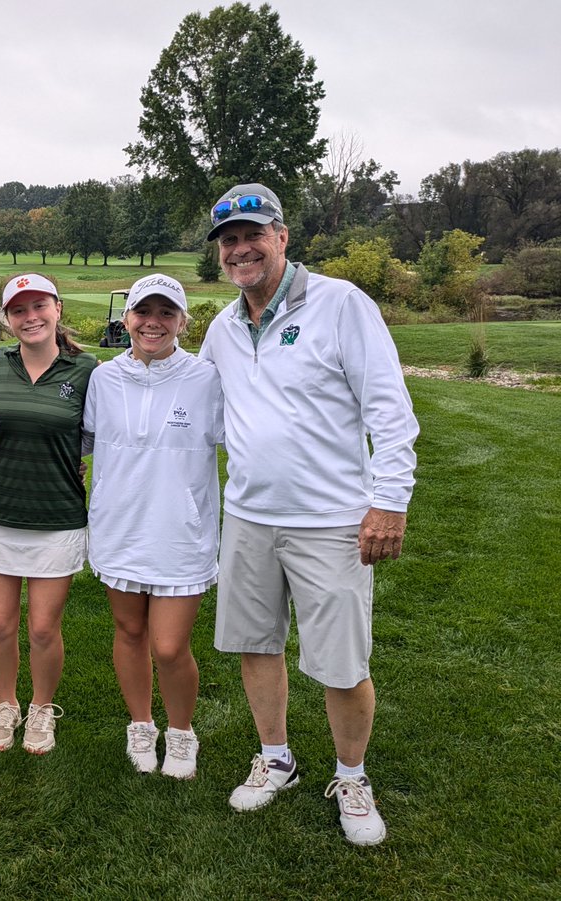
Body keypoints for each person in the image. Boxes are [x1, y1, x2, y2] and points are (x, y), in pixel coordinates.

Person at [199, 183, 419, 846]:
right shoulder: (223, 327)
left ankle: (351, 775)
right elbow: (204, 416)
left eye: (252, 234)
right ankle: (277, 758)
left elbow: (390, 410)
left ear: (282, 236)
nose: (240, 249)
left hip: (332, 520)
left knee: (342, 662)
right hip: (248, 517)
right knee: (255, 643)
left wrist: (389, 499)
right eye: (228, 241)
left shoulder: (341, 304)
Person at [83, 273, 223, 777]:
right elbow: (84, 446)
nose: (153, 323)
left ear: (182, 322)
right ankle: (141, 723)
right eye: (144, 312)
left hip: (180, 533)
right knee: (129, 631)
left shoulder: (206, 378)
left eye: (166, 313)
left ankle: (181, 731)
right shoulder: (103, 378)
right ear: (127, 319)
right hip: (119, 528)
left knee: (169, 645)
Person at [0, 273, 97, 755]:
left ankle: (42, 708)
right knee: (0, 624)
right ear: (7, 320)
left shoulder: (86, 369)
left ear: (57, 309)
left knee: (43, 628)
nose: (30, 317)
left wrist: (78, 461)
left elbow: (102, 433)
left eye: (39, 306)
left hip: (57, 515)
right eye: (19, 310)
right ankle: (6, 704)